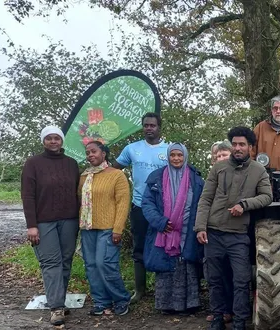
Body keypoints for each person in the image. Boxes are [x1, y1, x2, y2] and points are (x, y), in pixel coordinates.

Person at [195, 127, 273, 330]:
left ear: (250, 147)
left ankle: (239, 322)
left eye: (242, 145)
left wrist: (244, 204)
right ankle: (218, 318)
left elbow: (267, 196)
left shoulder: (258, 170)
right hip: (213, 232)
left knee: (241, 281)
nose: (238, 148)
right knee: (214, 280)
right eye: (235, 144)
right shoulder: (218, 169)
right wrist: (200, 227)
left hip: (238, 236)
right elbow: (205, 199)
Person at [21, 126, 80, 326]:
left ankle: (59, 301)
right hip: (44, 222)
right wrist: (32, 225)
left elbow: (78, 193)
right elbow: (27, 196)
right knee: (51, 263)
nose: (53, 141)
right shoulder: (33, 164)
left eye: (57, 138)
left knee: (65, 261)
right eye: (49, 138)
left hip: (69, 221)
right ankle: (55, 308)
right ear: (43, 141)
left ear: (62, 141)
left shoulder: (72, 164)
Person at [141, 143, 204, 315]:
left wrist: (198, 225)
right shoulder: (156, 177)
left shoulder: (196, 178)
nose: (176, 158)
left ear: (185, 157)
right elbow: (147, 203)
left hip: (187, 230)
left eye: (180, 155)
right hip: (164, 231)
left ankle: (189, 305)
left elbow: (202, 203)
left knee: (187, 265)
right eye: (173, 155)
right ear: (168, 156)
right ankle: (166, 305)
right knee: (166, 263)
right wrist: (160, 221)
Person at [114, 112, 169, 303]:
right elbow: (114, 171)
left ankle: (164, 290)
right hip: (139, 207)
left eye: (152, 125)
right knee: (139, 248)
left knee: (165, 246)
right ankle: (140, 290)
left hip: (163, 209)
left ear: (159, 127)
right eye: (146, 125)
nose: (149, 128)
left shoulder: (169, 149)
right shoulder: (132, 149)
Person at [79, 141, 131, 316]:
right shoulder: (84, 176)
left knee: (105, 264)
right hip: (87, 227)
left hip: (108, 228)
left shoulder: (116, 175)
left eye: (94, 151)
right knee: (91, 266)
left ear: (104, 154)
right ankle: (101, 302)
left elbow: (123, 204)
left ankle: (121, 298)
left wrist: (118, 229)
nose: (90, 155)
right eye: (87, 153)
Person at [205, 139, 234, 323]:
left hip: (233, 232)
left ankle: (230, 310)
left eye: (224, 155)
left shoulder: (237, 176)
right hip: (211, 232)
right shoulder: (209, 179)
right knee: (213, 275)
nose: (221, 158)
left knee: (230, 274)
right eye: (218, 156)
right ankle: (218, 310)